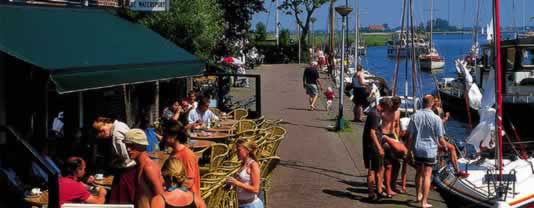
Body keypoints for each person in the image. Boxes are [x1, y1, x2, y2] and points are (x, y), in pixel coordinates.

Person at [407, 95, 446, 208]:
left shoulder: (415, 116)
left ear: (422, 103)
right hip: (430, 150)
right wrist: (445, 147)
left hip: (418, 148)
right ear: (432, 103)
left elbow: (410, 136)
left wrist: (408, 151)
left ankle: (418, 195)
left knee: (419, 173)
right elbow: (440, 138)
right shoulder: (436, 119)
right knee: (427, 175)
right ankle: (424, 201)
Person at [93, 117, 136, 204]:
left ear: (106, 124)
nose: (102, 134)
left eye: (102, 130)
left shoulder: (116, 135)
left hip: (126, 170)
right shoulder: (120, 124)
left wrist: (114, 161)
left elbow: (126, 157)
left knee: (122, 199)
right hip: (129, 168)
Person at [124, 129, 164, 208]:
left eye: (132, 145)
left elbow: (161, 197)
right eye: (126, 145)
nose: (128, 149)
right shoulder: (139, 166)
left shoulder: (148, 167)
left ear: (142, 145)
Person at [432, 97, 469, 178]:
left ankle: (440, 172)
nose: (437, 103)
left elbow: (439, 122)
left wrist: (445, 118)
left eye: (438, 101)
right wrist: (446, 117)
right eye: (435, 101)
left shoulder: (436, 110)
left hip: (439, 136)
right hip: (437, 137)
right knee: (451, 148)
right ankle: (457, 170)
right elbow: (438, 123)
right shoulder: (435, 111)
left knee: (444, 153)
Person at [380, 97, 407, 198]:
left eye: (398, 106)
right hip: (384, 137)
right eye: (395, 106)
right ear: (391, 104)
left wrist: (398, 137)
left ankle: (392, 184)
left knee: (397, 163)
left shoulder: (398, 112)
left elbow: (396, 126)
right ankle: (387, 187)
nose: (396, 108)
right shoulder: (384, 111)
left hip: (393, 137)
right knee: (388, 165)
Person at [362, 98, 389, 201]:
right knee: (373, 170)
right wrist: (379, 148)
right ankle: (372, 194)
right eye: (387, 109)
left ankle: (376, 192)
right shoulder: (375, 115)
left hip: (371, 145)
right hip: (372, 146)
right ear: (384, 106)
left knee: (375, 169)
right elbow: (372, 132)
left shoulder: (375, 112)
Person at [165, 123, 201, 196]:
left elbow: (189, 181)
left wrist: (171, 194)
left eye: (166, 135)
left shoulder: (187, 154)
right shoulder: (174, 152)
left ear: (174, 136)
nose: (164, 138)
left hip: (187, 198)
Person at [226, 138, 263, 208]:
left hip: (252, 205)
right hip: (243, 205)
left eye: (238, 150)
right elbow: (244, 183)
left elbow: (256, 189)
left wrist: (237, 183)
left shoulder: (253, 165)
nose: (236, 152)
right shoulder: (243, 164)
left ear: (247, 150)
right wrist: (232, 185)